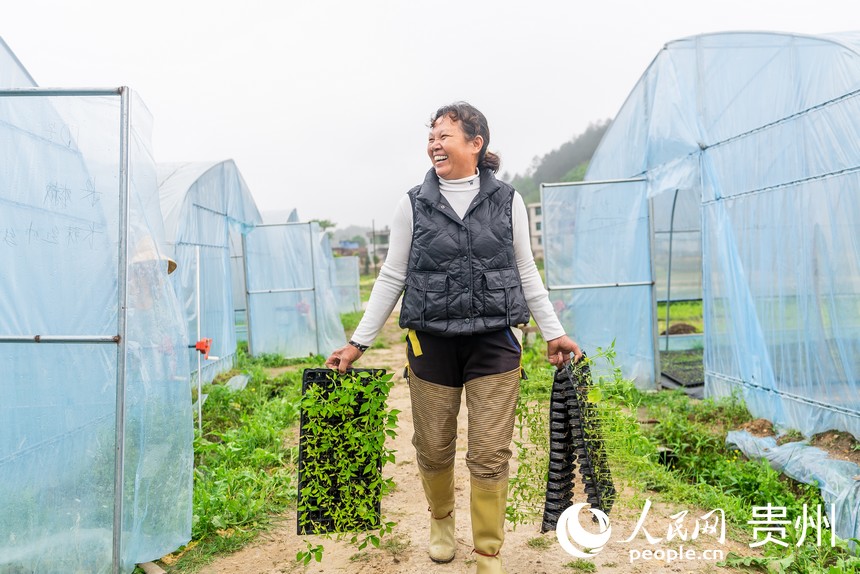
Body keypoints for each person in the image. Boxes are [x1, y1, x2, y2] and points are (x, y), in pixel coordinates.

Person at [326, 102, 581, 574]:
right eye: (431, 137)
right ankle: (441, 521)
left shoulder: (508, 200)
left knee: (489, 453)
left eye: (444, 136)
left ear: (475, 142)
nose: (434, 144)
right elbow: (391, 276)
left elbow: (525, 270)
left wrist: (554, 332)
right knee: (434, 446)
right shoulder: (413, 203)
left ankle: (487, 551)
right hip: (431, 343)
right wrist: (357, 343)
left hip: (495, 343)